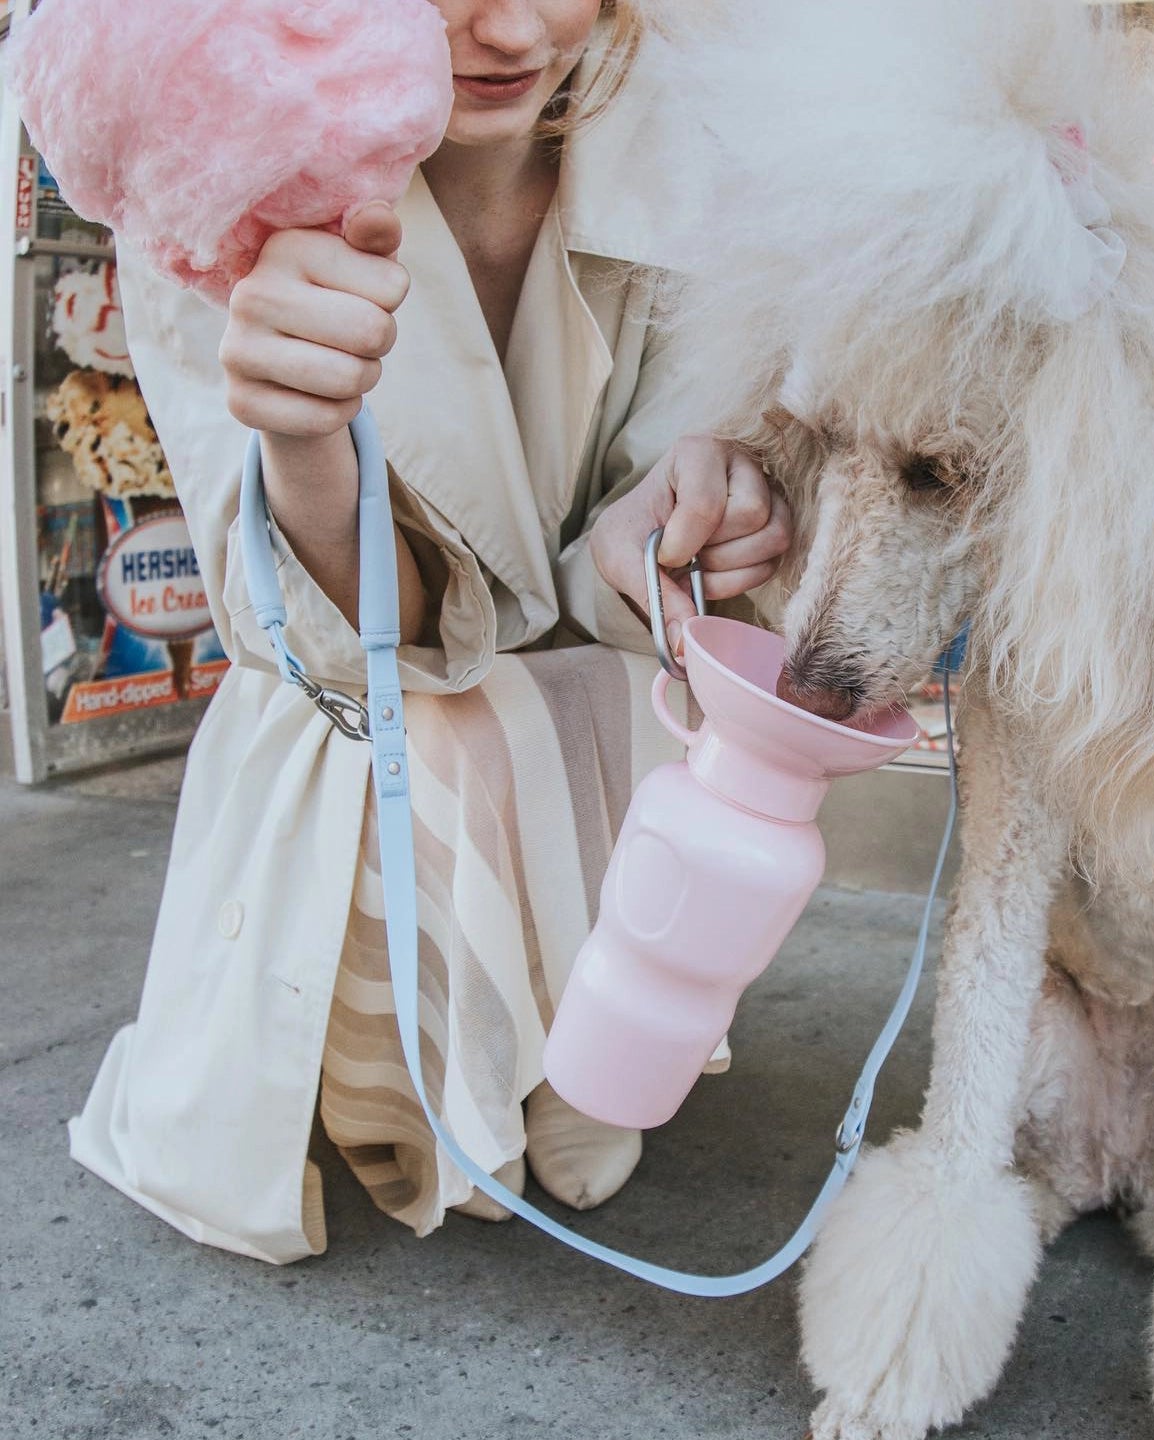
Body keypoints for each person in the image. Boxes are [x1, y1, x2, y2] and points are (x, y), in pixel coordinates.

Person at [68, 0, 792, 1264]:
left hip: (605, 709)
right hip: (365, 727)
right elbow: (339, 650)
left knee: (674, 695)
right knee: (437, 722)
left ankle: (585, 1042)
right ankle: (426, 1079)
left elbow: (625, 541)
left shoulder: (703, 143)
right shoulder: (214, 166)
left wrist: (680, 518)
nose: (512, 28)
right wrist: (303, 445)